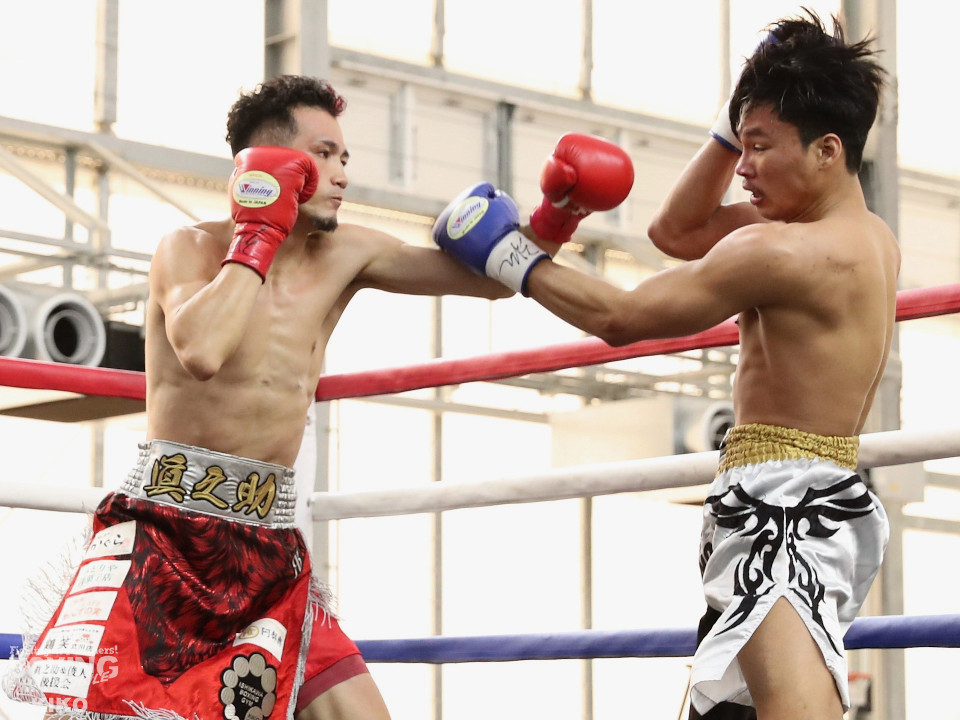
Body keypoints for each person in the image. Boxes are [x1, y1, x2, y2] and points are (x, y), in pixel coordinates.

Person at [4, 75, 514, 720]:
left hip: (267, 548)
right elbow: (202, 350)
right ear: (267, 164)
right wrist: (259, 233)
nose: (342, 174)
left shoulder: (348, 252)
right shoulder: (187, 249)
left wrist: (558, 216)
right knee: (100, 710)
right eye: (323, 155)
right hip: (166, 537)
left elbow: (493, 283)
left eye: (345, 157)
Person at [433, 12, 897, 720]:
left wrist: (510, 255)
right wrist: (736, 116)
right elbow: (676, 231)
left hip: (779, 507)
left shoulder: (782, 251)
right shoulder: (865, 236)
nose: (741, 167)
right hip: (812, 497)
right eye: (740, 144)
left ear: (827, 150)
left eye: (760, 147)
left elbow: (622, 318)